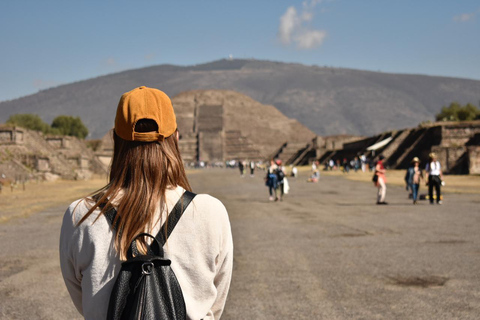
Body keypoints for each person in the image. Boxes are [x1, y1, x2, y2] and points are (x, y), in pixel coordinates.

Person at [59, 86, 233, 320]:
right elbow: (214, 304)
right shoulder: (210, 212)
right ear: (177, 138)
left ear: (115, 139)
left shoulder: (81, 215)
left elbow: (83, 300)